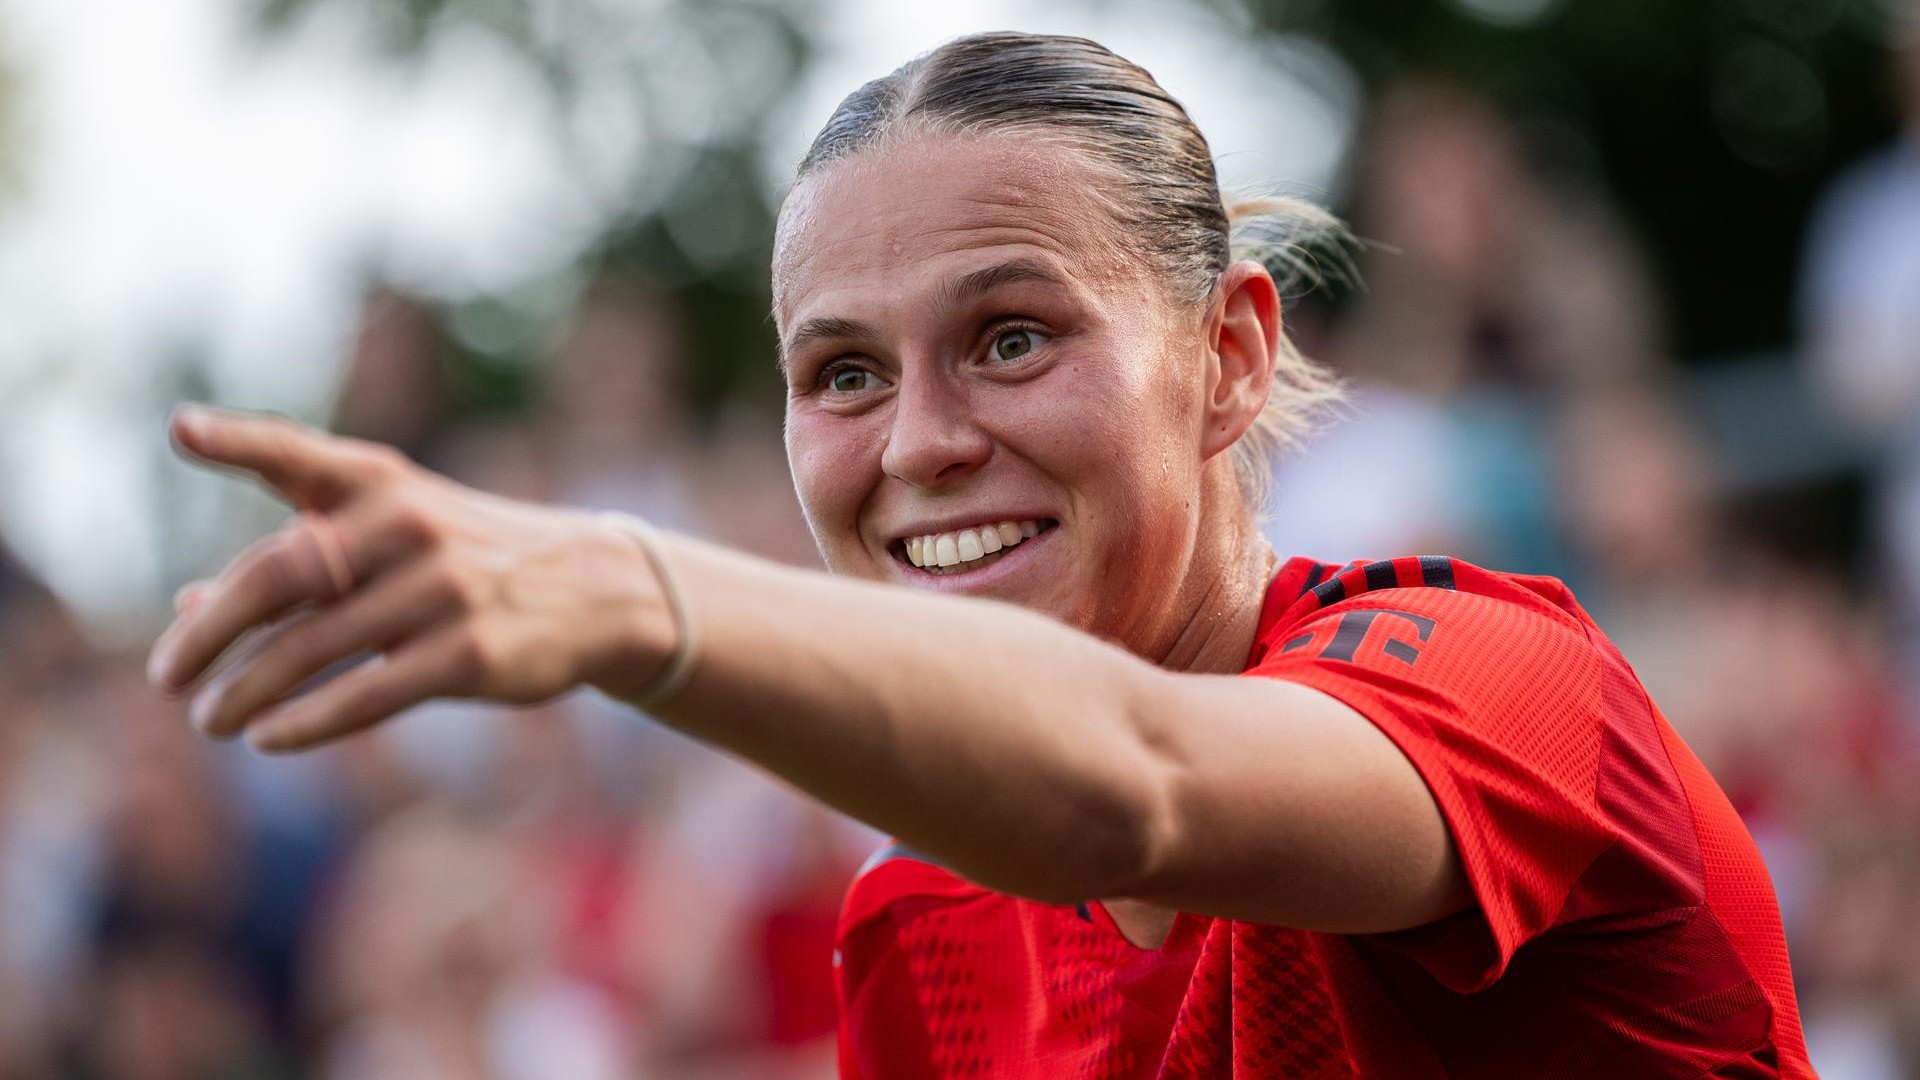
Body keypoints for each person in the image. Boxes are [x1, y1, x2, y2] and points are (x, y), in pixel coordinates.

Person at [147, 32, 1815, 1078]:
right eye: (843, 375)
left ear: (1230, 357)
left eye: (1012, 338)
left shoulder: (1509, 685)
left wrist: (633, 595)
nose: (920, 441)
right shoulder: (923, 922)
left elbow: (1140, 792)